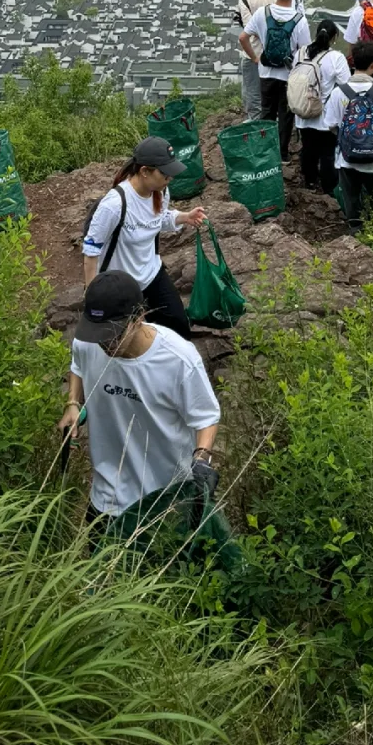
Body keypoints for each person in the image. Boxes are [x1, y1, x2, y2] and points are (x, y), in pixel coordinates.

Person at [59, 271, 221, 524]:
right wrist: (72, 403)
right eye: (98, 333)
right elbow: (78, 365)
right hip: (107, 499)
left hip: (164, 500)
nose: (105, 343)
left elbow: (206, 418)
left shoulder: (178, 359)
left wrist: (201, 459)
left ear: (139, 317)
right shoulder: (88, 343)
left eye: (113, 333)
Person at [82, 136, 205, 340]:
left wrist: (184, 217)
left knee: (179, 326)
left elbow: (158, 218)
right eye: (165, 173)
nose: (170, 178)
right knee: (127, 341)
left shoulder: (160, 191)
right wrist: (92, 294)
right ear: (145, 171)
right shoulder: (114, 205)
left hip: (151, 273)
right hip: (121, 283)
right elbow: (91, 250)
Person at [324, 39, 373, 233]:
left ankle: (356, 233)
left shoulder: (339, 93)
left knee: (352, 203)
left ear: (352, 62)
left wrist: (349, 139)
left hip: (347, 160)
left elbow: (331, 124)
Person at [239, 0, 311, 163]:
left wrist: (255, 58)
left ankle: (264, 151)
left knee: (266, 113)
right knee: (285, 116)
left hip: (266, 73)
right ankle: (282, 154)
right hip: (289, 76)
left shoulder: (263, 13)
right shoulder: (299, 20)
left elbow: (243, 37)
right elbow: (304, 52)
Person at [293, 18, 350, 193]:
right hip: (325, 115)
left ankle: (309, 182)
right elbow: (345, 85)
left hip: (303, 110)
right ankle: (328, 188)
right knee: (327, 152)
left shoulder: (301, 53)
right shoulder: (336, 58)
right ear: (334, 38)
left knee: (308, 148)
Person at [225, 0, 277, 120]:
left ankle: (256, 124)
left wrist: (254, 57)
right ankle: (274, 120)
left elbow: (249, 31)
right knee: (272, 89)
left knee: (252, 91)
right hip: (276, 49)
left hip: (256, 52)